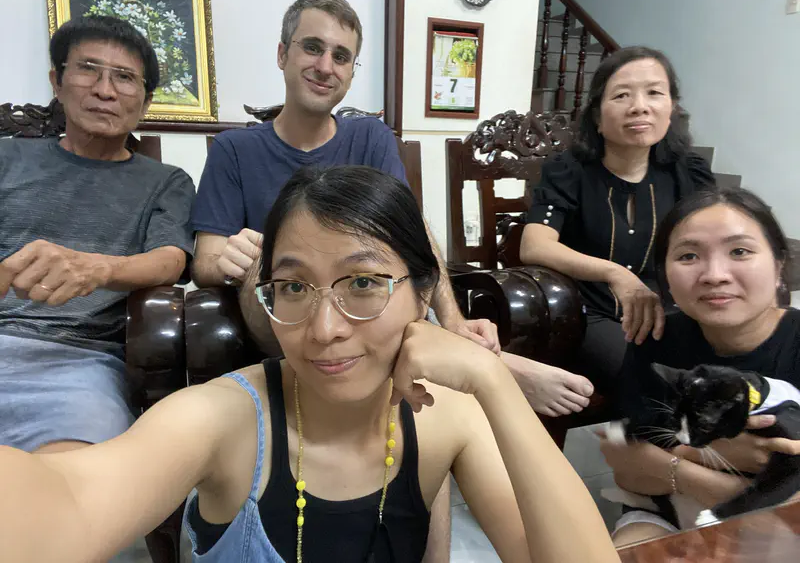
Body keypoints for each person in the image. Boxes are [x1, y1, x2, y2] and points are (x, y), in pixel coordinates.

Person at [0, 166, 620, 563]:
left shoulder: (446, 420)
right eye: (293, 288)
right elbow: (66, 503)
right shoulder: (220, 419)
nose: (324, 331)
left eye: (364, 284)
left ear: (424, 292)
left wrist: (492, 379)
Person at [189, 0, 594, 418]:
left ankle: (460, 362)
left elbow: (411, 234)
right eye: (312, 47)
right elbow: (204, 263)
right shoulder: (233, 149)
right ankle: (482, 369)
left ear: (350, 72)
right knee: (263, 270)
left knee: (390, 271)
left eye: (341, 57)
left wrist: (454, 322)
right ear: (282, 54)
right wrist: (229, 261)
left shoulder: (370, 138)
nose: (325, 66)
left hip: (366, 301)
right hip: (289, 306)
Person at [0, 15, 195, 455]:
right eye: (88, 69)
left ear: (145, 101)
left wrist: (96, 268)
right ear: (57, 80)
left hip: (80, 362)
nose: (105, 90)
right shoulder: (6, 158)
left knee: (78, 496)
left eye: (124, 78)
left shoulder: (166, 181)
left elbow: (172, 259)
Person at [600, 187, 800, 547]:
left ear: (779, 264)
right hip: (661, 511)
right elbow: (627, 470)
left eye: (739, 251)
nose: (715, 275)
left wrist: (668, 463)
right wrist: (712, 458)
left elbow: (791, 513)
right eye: (689, 255)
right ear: (665, 274)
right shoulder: (657, 337)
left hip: (779, 533)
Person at [519, 46, 716, 392]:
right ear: (597, 115)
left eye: (654, 92)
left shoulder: (689, 173)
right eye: (622, 95)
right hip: (589, 311)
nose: (639, 106)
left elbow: (712, 241)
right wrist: (615, 274)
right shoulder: (568, 172)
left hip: (670, 307)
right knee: (659, 384)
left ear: (671, 108)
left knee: (730, 372)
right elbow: (534, 245)